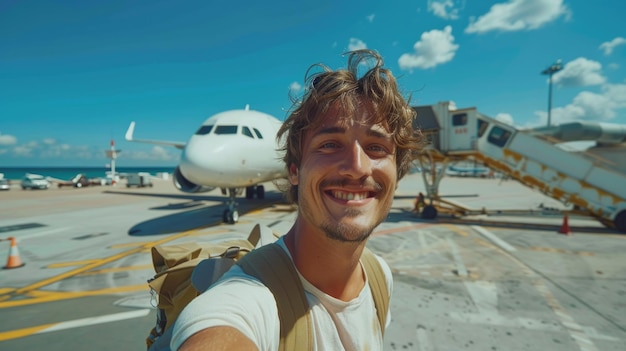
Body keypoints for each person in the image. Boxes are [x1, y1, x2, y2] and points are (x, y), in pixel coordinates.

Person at [171, 49, 422, 351]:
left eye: (377, 147)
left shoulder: (379, 275)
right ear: (294, 170)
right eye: (330, 144)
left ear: (398, 171)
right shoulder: (245, 301)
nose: (357, 167)